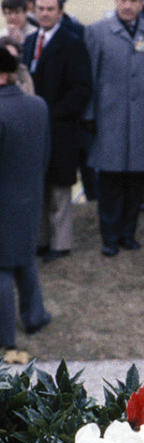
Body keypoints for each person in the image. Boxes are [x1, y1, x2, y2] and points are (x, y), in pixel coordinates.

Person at [85, 0, 144, 257]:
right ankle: (109, 236)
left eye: (133, 1)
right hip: (110, 119)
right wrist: (91, 116)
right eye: (122, 0)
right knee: (110, 181)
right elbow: (91, 77)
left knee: (136, 181)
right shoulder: (97, 32)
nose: (127, 5)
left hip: (143, 120)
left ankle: (128, 233)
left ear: (142, 4)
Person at [21, 0, 90, 263]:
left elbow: (82, 88)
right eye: (41, 9)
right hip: (33, 127)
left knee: (59, 187)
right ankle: (40, 239)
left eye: (51, 9)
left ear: (60, 12)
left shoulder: (72, 43)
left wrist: (55, 113)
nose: (45, 14)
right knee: (38, 183)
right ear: (34, 11)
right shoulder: (29, 43)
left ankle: (60, 243)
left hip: (60, 125)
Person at [1, 46, 51, 355]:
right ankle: (35, 316)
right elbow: (44, 151)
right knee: (24, 258)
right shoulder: (38, 105)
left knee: (2, 268)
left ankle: (5, 335)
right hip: (30, 195)